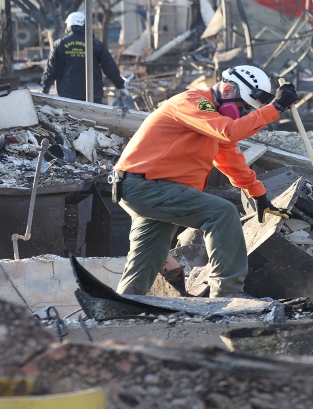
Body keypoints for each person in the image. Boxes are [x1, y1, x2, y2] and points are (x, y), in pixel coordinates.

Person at [112, 65, 298, 297]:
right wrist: (276, 108)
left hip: (155, 191)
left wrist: (259, 195)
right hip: (147, 187)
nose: (240, 114)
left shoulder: (214, 121)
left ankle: (121, 307)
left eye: (246, 111)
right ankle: (227, 295)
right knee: (222, 213)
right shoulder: (193, 102)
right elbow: (230, 132)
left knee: (148, 256)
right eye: (242, 108)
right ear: (228, 89)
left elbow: (229, 158)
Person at [41, 11, 127, 103]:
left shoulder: (59, 45)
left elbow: (50, 70)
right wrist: (120, 86)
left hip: (67, 95)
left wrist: (44, 90)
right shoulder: (96, 44)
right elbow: (110, 68)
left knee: (68, 118)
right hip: (93, 95)